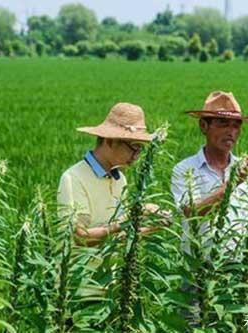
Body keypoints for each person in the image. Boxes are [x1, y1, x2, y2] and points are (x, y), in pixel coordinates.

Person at [171, 91, 248, 253]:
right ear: (203, 126)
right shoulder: (185, 169)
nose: (231, 132)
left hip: (240, 270)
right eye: (223, 123)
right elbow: (190, 213)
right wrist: (232, 183)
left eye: (236, 125)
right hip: (198, 269)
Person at [58, 102, 168, 247]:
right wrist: (131, 216)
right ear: (110, 141)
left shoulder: (120, 179)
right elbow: (81, 238)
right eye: (133, 147)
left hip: (113, 269)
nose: (136, 156)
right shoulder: (73, 179)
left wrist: (154, 225)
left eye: (140, 149)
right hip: (82, 269)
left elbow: (120, 236)